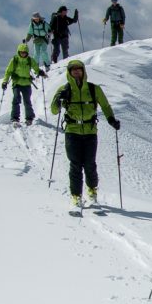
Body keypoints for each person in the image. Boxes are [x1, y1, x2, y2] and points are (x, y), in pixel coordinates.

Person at [50, 59, 120, 208]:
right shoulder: (64, 89)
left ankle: (92, 191)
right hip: (72, 131)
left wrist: (111, 119)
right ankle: (76, 196)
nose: (76, 71)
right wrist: (58, 99)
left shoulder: (94, 89)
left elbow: (105, 105)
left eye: (79, 69)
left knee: (90, 164)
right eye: (73, 69)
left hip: (90, 131)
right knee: (75, 165)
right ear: (69, 73)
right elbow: (54, 110)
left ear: (83, 71)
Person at [2, 43, 45, 125]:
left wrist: (39, 72)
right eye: (21, 52)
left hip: (26, 83)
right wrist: (5, 81)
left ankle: (29, 118)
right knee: (16, 99)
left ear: (27, 52)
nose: (23, 54)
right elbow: (8, 71)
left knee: (27, 101)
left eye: (25, 52)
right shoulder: (14, 60)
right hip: (17, 83)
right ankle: (15, 118)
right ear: (18, 52)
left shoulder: (30, 60)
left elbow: (36, 67)